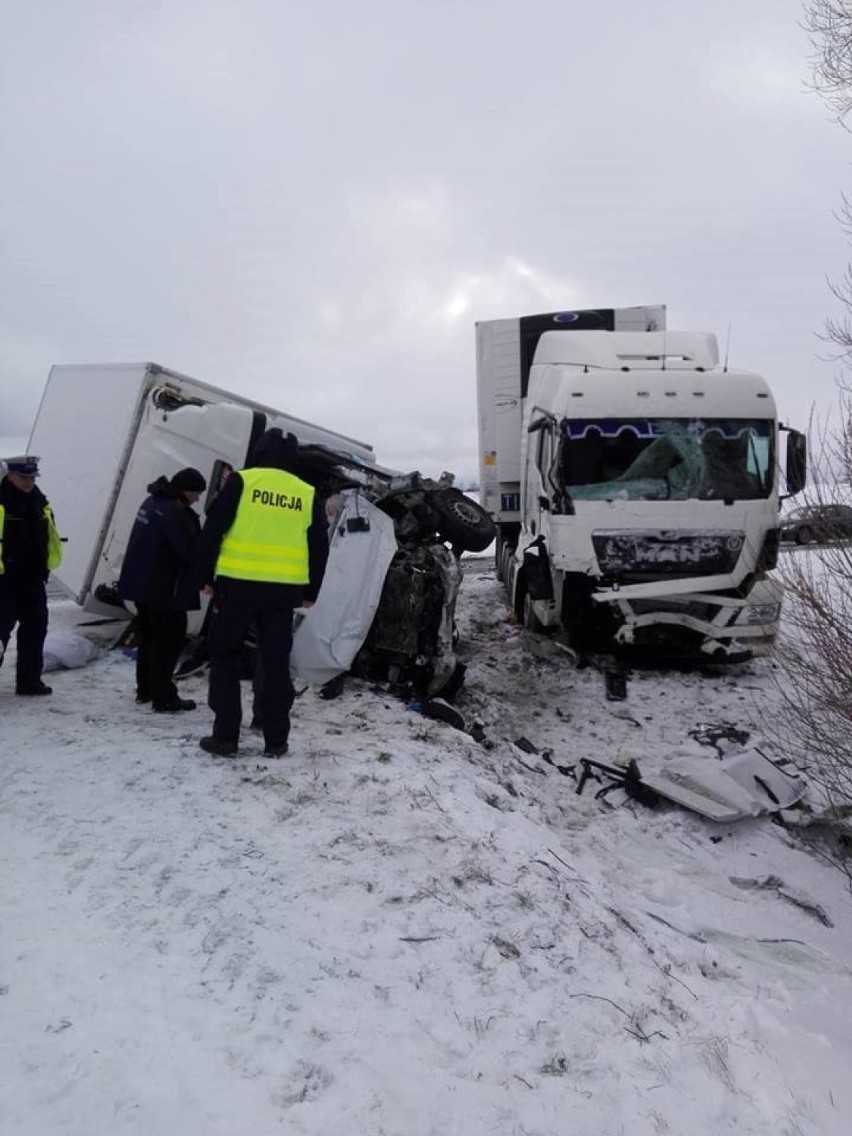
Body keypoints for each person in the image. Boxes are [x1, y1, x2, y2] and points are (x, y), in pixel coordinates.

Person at [197, 429, 328, 757]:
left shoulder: (243, 482)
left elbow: (213, 528)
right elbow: (318, 547)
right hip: (282, 594)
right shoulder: (307, 493)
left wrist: (204, 576)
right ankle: (276, 740)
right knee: (274, 663)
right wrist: (311, 590)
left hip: (236, 587)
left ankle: (226, 737)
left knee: (225, 658)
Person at [117, 467, 207, 712]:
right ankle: (164, 696)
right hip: (166, 589)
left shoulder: (152, 502)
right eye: (196, 493)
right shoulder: (175, 513)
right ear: (184, 490)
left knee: (148, 639)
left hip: (142, 586)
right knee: (168, 642)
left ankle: (145, 689)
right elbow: (191, 552)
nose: (197, 499)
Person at [0, 455, 63, 695]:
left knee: (36, 628)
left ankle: (29, 681)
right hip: (3, 580)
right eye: (24, 477)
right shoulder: (1, 501)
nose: (29, 482)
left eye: (32, 477)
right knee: (0, 632)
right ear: (10, 475)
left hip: (33, 578)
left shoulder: (39, 501)